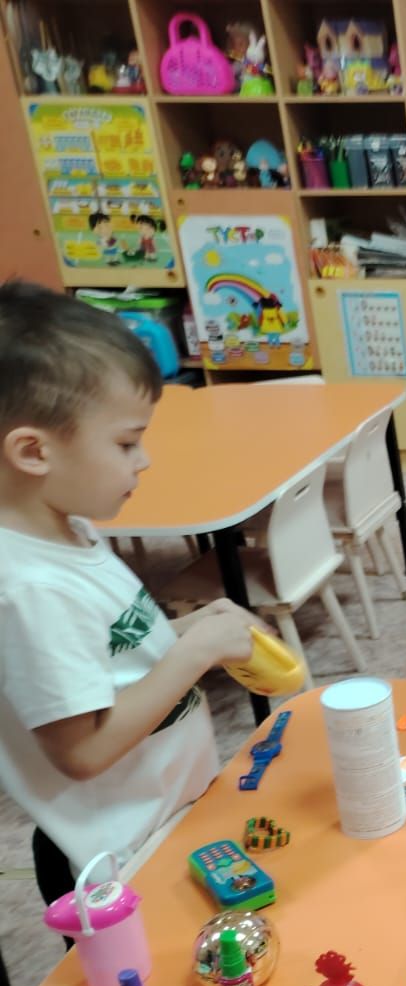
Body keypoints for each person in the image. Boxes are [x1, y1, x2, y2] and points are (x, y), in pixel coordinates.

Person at [0, 282, 260, 911]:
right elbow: (83, 751)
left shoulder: (69, 530)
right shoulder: (30, 589)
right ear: (33, 451)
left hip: (165, 817)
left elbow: (108, 656)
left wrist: (183, 632)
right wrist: (194, 653)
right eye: (125, 442)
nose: (142, 461)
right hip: (117, 860)